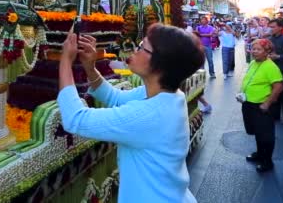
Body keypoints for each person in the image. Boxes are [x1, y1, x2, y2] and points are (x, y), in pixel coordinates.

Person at [57, 24, 203, 202]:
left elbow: (75, 118)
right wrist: (90, 67)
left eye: (142, 47)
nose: (134, 49)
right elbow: (114, 98)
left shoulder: (148, 115)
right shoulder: (168, 96)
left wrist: (65, 60)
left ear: (159, 65)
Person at [238, 39, 283, 173]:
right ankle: (259, 154)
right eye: (253, 49)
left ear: (267, 52)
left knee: (266, 135)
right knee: (258, 132)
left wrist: (267, 103)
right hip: (249, 103)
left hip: (262, 106)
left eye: (258, 49)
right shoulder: (253, 62)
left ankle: (267, 161)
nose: (254, 52)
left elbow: (279, 86)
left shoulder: (271, 66)